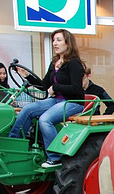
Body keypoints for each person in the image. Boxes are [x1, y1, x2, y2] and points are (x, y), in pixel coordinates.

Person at [9, 29, 85, 168]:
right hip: (56, 101)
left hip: (73, 102)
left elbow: (77, 89)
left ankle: (54, 158)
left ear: (68, 43)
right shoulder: (55, 62)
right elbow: (44, 86)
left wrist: (56, 88)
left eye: (59, 40)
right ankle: (13, 146)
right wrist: (27, 76)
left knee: (45, 119)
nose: (55, 43)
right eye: (54, 40)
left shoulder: (74, 63)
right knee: (27, 110)